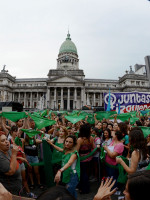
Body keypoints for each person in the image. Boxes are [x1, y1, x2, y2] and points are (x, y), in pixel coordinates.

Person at [47, 135, 80, 199]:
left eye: (70, 142)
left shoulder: (74, 153)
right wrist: (51, 144)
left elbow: (69, 163)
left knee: (68, 193)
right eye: (66, 141)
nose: (67, 143)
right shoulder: (66, 150)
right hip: (67, 174)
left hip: (73, 176)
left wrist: (60, 171)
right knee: (72, 192)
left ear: (73, 144)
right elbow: (59, 149)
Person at [76, 123, 95, 194]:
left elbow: (77, 151)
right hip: (89, 158)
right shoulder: (91, 138)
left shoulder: (80, 139)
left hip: (82, 159)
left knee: (83, 174)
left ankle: (83, 189)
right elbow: (93, 148)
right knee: (87, 174)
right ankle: (86, 188)